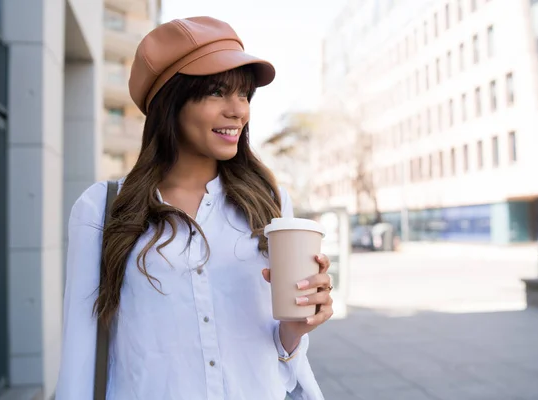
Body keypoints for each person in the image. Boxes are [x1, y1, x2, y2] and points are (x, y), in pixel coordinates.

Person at [55, 16, 334, 400]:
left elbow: (281, 359)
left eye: (244, 95)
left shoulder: (270, 201)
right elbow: (80, 355)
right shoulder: (101, 209)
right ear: (171, 102)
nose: (238, 110)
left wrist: (296, 328)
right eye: (217, 92)